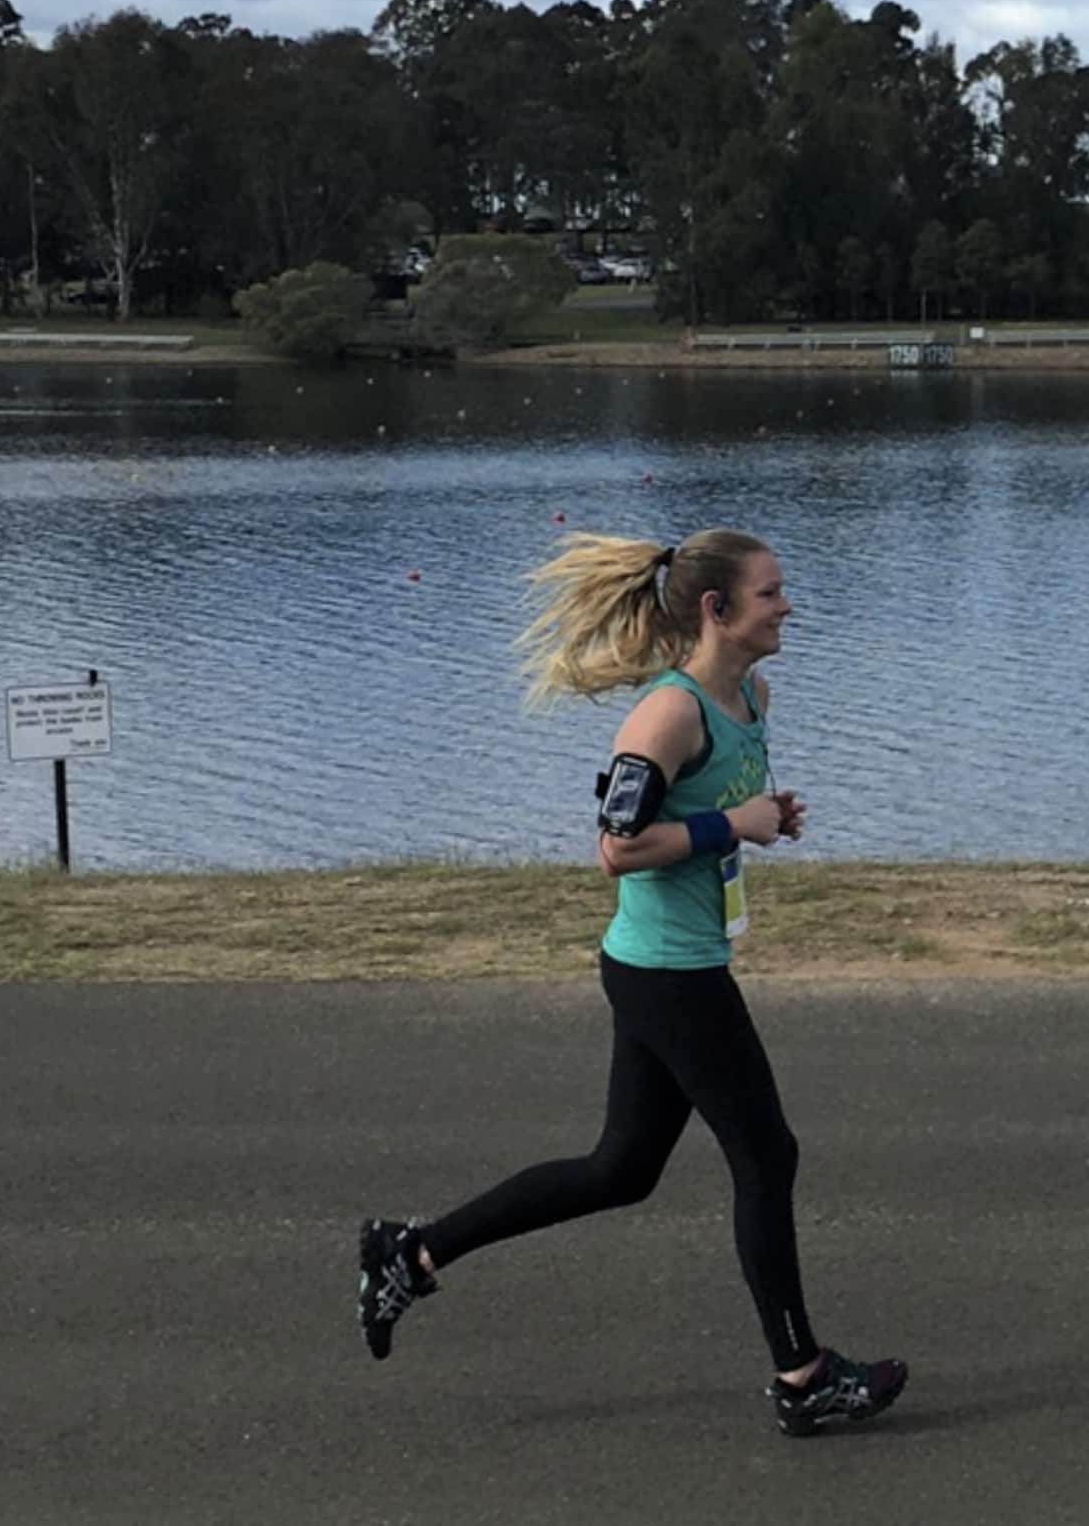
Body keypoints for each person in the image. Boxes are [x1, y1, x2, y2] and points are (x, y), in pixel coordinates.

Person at [358, 528, 908, 1438]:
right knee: (767, 1156)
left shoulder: (753, 697)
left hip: (675, 963)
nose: (788, 605)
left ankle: (408, 1255)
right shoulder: (666, 714)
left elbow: (710, 816)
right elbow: (617, 849)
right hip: (667, 974)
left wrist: (759, 819)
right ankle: (803, 1376)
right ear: (715, 609)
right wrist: (737, 820)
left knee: (620, 1168)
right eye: (771, 593)